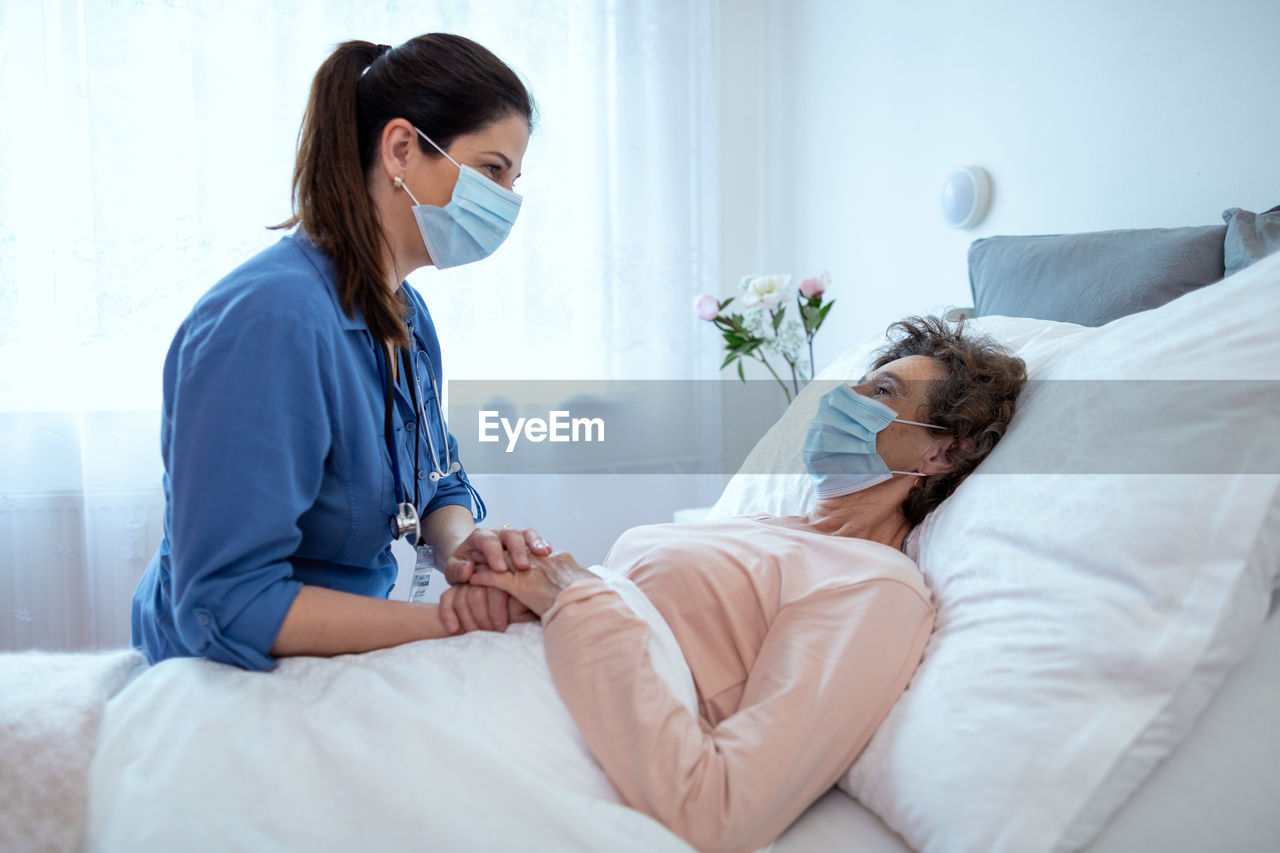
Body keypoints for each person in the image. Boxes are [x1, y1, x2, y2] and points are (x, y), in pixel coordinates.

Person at [460, 316, 1029, 852]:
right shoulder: (756, 528)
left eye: (881, 393)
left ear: (944, 452)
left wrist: (571, 597)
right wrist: (524, 583)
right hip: (492, 683)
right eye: (852, 386)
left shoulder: (875, 586)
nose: (840, 402)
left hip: (532, 748)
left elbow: (720, 812)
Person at [131, 35, 548, 671]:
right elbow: (227, 604)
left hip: (342, 658)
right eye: (492, 171)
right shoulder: (272, 321)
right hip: (232, 673)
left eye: (514, 180)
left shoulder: (403, 312)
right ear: (402, 149)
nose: (507, 202)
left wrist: (465, 549)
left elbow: (436, 480)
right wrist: (449, 622)